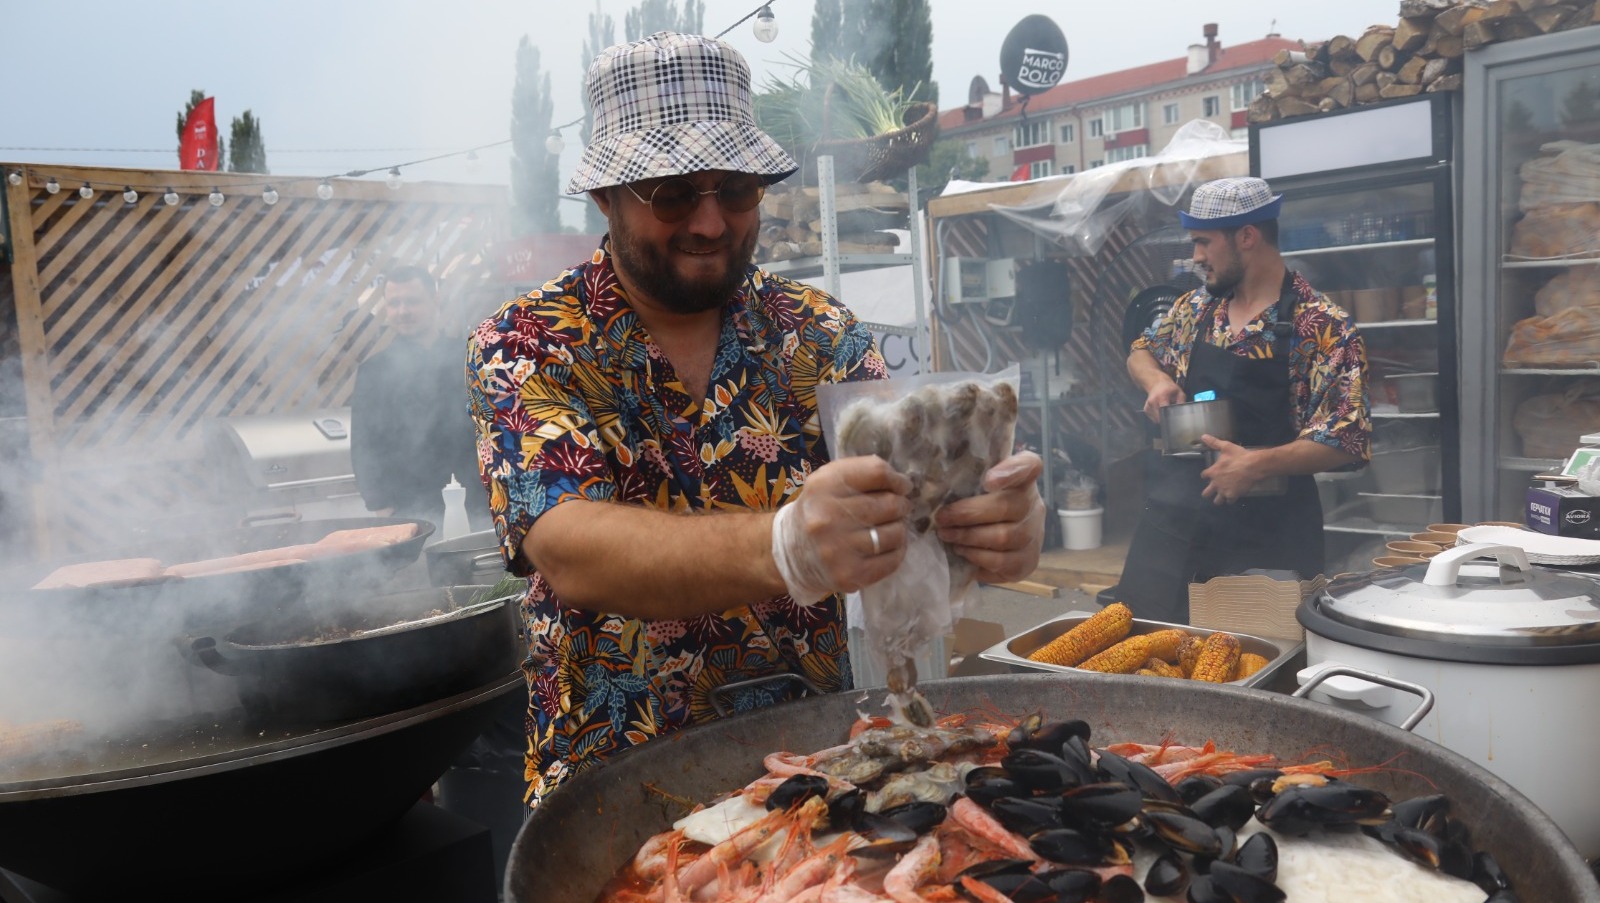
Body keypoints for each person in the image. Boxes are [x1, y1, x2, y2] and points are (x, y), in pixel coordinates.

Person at [466, 32, 1045, 809]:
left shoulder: (818, 334)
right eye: (673, 192)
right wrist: (784, 545)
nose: (711, 222)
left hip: (811, 777)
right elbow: (567, 547)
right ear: (605, 197)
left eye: (737, 189)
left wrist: (995, 526)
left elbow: (914, 496)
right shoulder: (526, 344)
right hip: (613, 788)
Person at [1120, 176, 1371, 624]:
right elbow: (1140, 351)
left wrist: (1254, 465)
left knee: (1259, 669)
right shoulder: (1194, 309)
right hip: (1173, 528)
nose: (1195, 257)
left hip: (1267, 540)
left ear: (1247, 236)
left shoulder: (1323, 326)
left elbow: (1346, 439)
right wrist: (1156, 381)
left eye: (1202, 242)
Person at [351, 265, 484, 532]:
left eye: (412, 301)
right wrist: (380, 505)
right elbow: (364, 444)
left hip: (478, 505)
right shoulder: (374, 371)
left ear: (436, 301)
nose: (403, 311)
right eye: (394, 303)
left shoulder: (469, 358)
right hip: (409, 511)